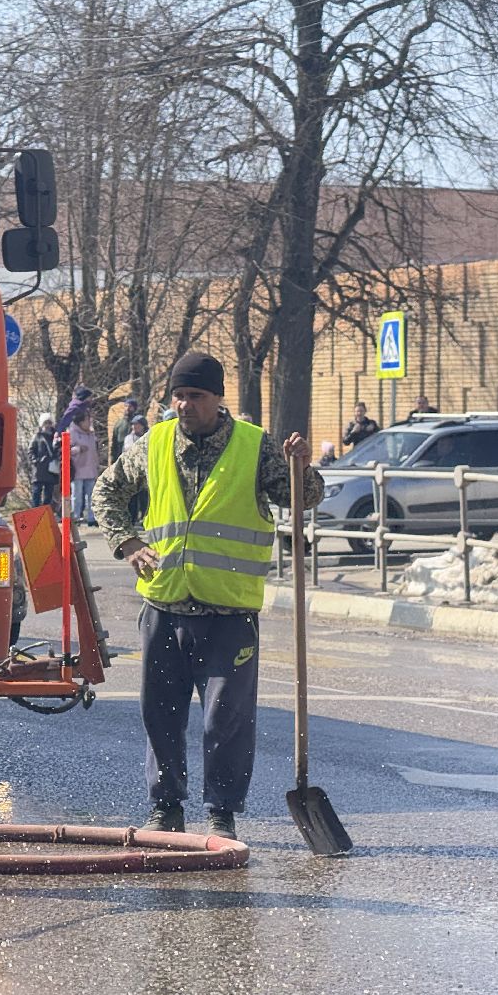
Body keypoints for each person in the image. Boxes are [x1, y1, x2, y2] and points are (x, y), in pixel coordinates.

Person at [90, 351, 323, 841]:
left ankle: (222, 810)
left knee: (227, 719)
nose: (184, 404)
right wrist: (127, 542)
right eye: (178, 395)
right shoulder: (153, 444)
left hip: (229, 611)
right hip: (164, 605)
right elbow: (105, 493)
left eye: (195, 396)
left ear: (218, 399)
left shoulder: (253, 447)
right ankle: (166, 806)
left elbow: (304, 497)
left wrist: (302, 465)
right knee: (160, 714)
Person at [68, 408, 100, 527]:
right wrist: (79, 449)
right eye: (87, 420)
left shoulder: (91, 434)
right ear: (80, 422)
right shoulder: (72, 433)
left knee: (91, 496)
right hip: (78, 470)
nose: (89, 422)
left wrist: (96, 466)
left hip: (90, 469)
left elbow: (95, 451)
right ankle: (76, 517)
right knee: (77, 496)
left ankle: (91, 518)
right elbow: (67, 450)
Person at [29, 413, 60, 510]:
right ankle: (35, 513)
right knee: (36, 492)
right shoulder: (37, 436)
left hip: (51, 469)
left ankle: (45, 514)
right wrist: (36, 461)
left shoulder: (55, 437)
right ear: (41, 424)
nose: (48, 425)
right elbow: (31, 451)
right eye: (45, 423)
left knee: (48, 494)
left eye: (49, 423)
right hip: (39, 469)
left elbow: (59, 450)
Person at [110, 397, 139, 463]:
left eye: (130, 406)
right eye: (126, 406)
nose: (127, 408)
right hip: (120, 457)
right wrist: (113, 458)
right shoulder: (119, 423)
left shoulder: (139, 423)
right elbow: (114, 443)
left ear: (134, 408)